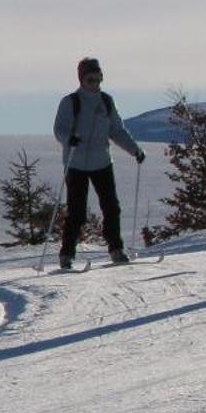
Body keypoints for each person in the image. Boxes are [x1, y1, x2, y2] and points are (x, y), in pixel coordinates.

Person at [54, 58, 146, 269]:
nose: (94, 83)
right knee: (76, 212)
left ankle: (116, 249)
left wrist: (135, 150)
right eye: (90, 79)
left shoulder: (106, 101)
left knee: (111, 207)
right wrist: (69, 138)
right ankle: (66, 254)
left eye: (98, 79)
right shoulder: (70, 102)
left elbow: (116, 130)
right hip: (76, 163)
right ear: (82, 79)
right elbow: (60, 128)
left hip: (102, 162)